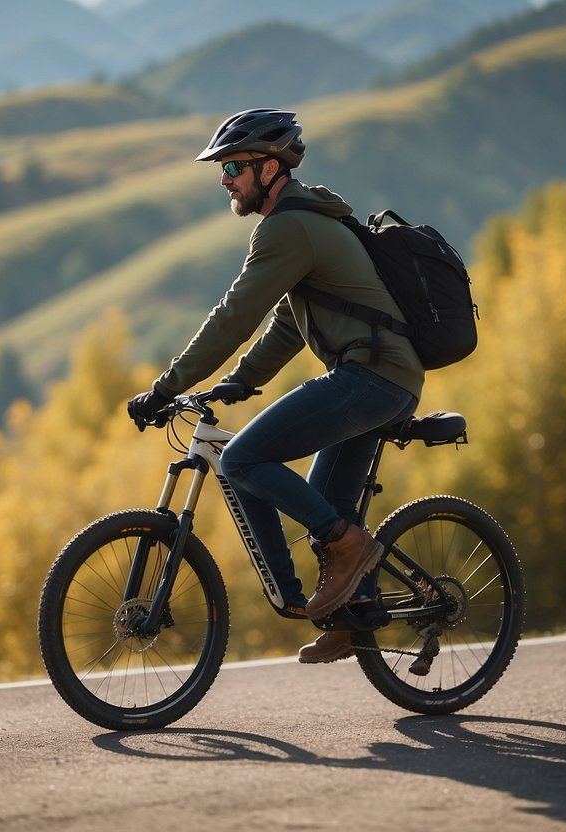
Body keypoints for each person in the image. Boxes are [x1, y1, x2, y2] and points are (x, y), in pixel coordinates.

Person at [127, 108, 424, 664]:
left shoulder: (287, 226)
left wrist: (166, 386)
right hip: (378, 377)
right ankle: (352, 614)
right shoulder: (306, 220)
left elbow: (234, 317)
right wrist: (240, 383)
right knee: (324, 503)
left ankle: (351, 546)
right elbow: (288, 325)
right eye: (223, 168)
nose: (225, 179)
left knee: (241, 461)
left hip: (373, 377)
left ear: (270, 167)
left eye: (234, 166)